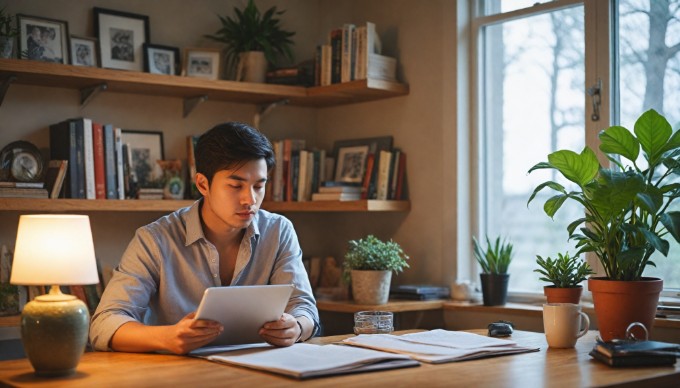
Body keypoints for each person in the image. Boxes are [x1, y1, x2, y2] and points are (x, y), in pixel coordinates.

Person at [90, 122, 319, 354]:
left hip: (258, 368)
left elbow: (304, 308)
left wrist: (297, 327)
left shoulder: (279, 231)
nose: (249, 199)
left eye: (259, 186)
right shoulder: (155, 239)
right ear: (202, 184)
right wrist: (166, 337)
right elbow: (104, 323)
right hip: (176, 373)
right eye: (235, 185)